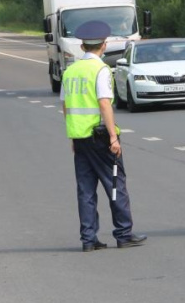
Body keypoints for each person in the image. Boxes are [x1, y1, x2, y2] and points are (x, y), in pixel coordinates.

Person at [61, 20, 146, 251]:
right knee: (115, 184)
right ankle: (123, 233)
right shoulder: (100, 70)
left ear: (82, 47)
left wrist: (73, 136)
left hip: (80, 139)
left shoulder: (70, 71)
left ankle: (88, 239)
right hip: (100, 138)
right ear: (104, 45)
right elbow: (105, 104)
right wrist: (113, 138)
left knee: (86, 190)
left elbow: (66, 106)